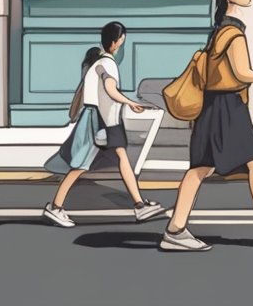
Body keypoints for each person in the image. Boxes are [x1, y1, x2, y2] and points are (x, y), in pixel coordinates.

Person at [160, 0, 253, 251]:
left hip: (213, 106)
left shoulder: (219, 30)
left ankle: (175, 230)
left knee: (200, 168)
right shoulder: (233, 33)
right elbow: (241, 72)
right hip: (228, 107)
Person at [42, 21, 165, 227]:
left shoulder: (97, 63)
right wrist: (132, 102)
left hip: (103, 118)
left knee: (121, 158)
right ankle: (55, 207)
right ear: (117, 43)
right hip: (99, 119)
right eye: (122, 42)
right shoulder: (107, 64)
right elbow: (110, 89)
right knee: (81, 166)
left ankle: (139, 205)